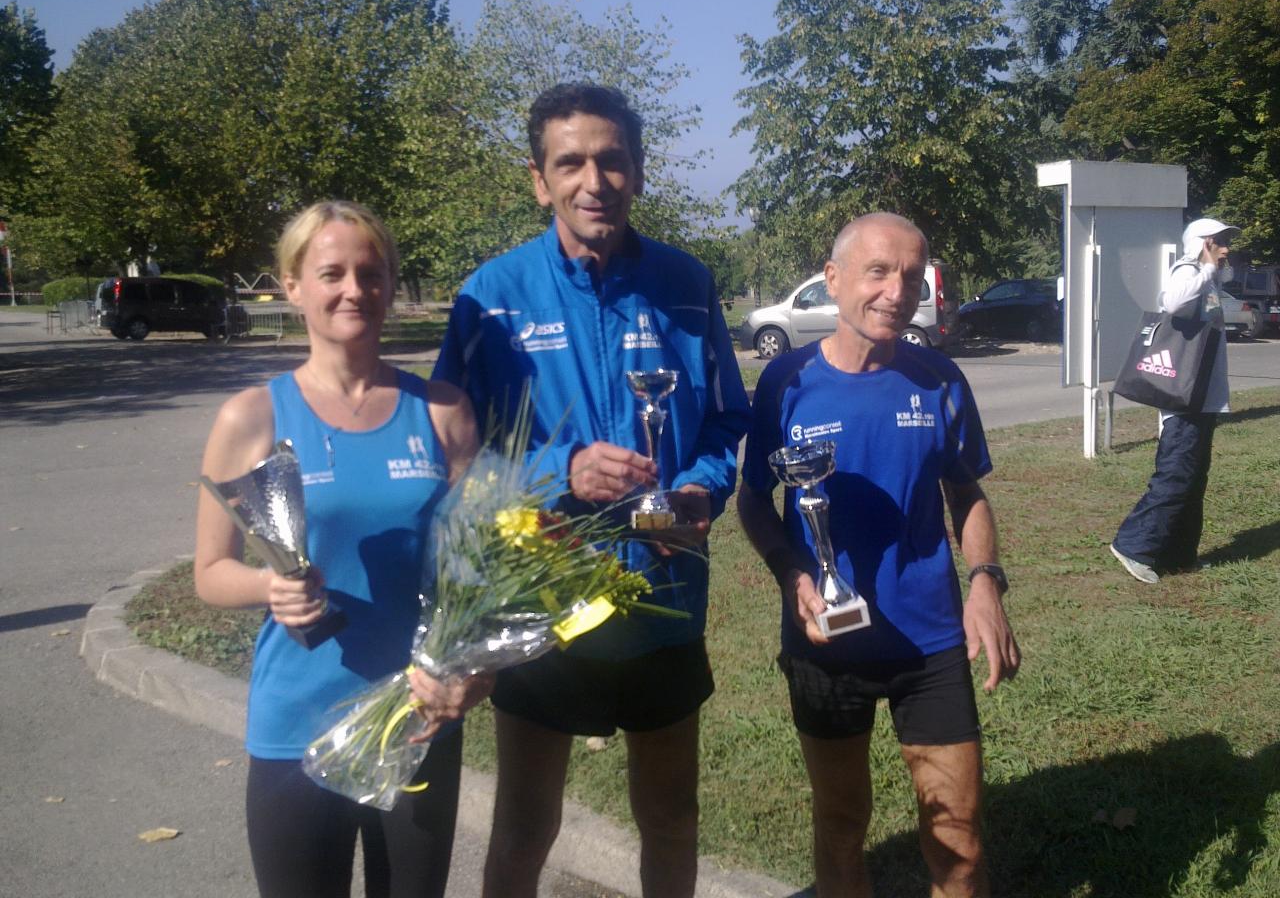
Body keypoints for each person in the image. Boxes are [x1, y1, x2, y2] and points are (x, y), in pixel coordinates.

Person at [432, 82, 750, 898]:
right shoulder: (491, 296)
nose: (593, 180)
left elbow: (724, 423)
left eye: (612, 160)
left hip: (664, 594)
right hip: (541, 603)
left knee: (673, 815)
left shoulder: (686, 282)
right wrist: (558, 473)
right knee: (526, 826)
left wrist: (701, 492)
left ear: (638, 172)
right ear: (540, 180)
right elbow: (451, 458)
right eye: (569, 162)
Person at [193, 201, 491, 898]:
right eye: (331, 273)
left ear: (390, 282)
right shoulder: (253, 416)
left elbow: (475, 574)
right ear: (292, 285)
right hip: (297, 726)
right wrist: (270, 588)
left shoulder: (443, 411)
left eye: (371, 272)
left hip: (418, 720)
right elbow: (210, 571)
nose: (353, 289)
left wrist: (478, 674)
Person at [736, 213, 1020, 898]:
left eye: (913, 276)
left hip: (929, 645)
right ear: (833, 280)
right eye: (879, 271)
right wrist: (792, 571)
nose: (898, 291)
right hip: (824, 643)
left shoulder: (939, 376)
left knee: (959, 839)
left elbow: (968, 495)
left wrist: (985, 583)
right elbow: (753, 499)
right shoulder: (785, 381)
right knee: (839, 824)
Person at [1110, 217, 1238, 584]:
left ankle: (1180, 555)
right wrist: (1205, 265)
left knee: (1193, 478)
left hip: (1202, 397)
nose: (1227, 248)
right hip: (1184, 398)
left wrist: (1215, 267)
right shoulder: (1187, 271)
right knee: (1175, 475)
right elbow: (1174, 301)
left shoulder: (1207, 274)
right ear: (1203, 243)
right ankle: (1133, 545)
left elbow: (1224, 284)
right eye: (1221, 241)